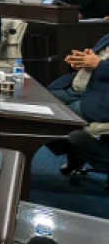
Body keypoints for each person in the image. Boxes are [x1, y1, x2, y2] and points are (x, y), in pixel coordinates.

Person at [47, 37, 109, 176]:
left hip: (100, 97)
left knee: (62, 117)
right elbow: (92, 61)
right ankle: (74, 152)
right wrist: (80, 62)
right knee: (39, 106)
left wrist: (98, 65)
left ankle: (78, 153)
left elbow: (98, 64)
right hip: (75, 88)